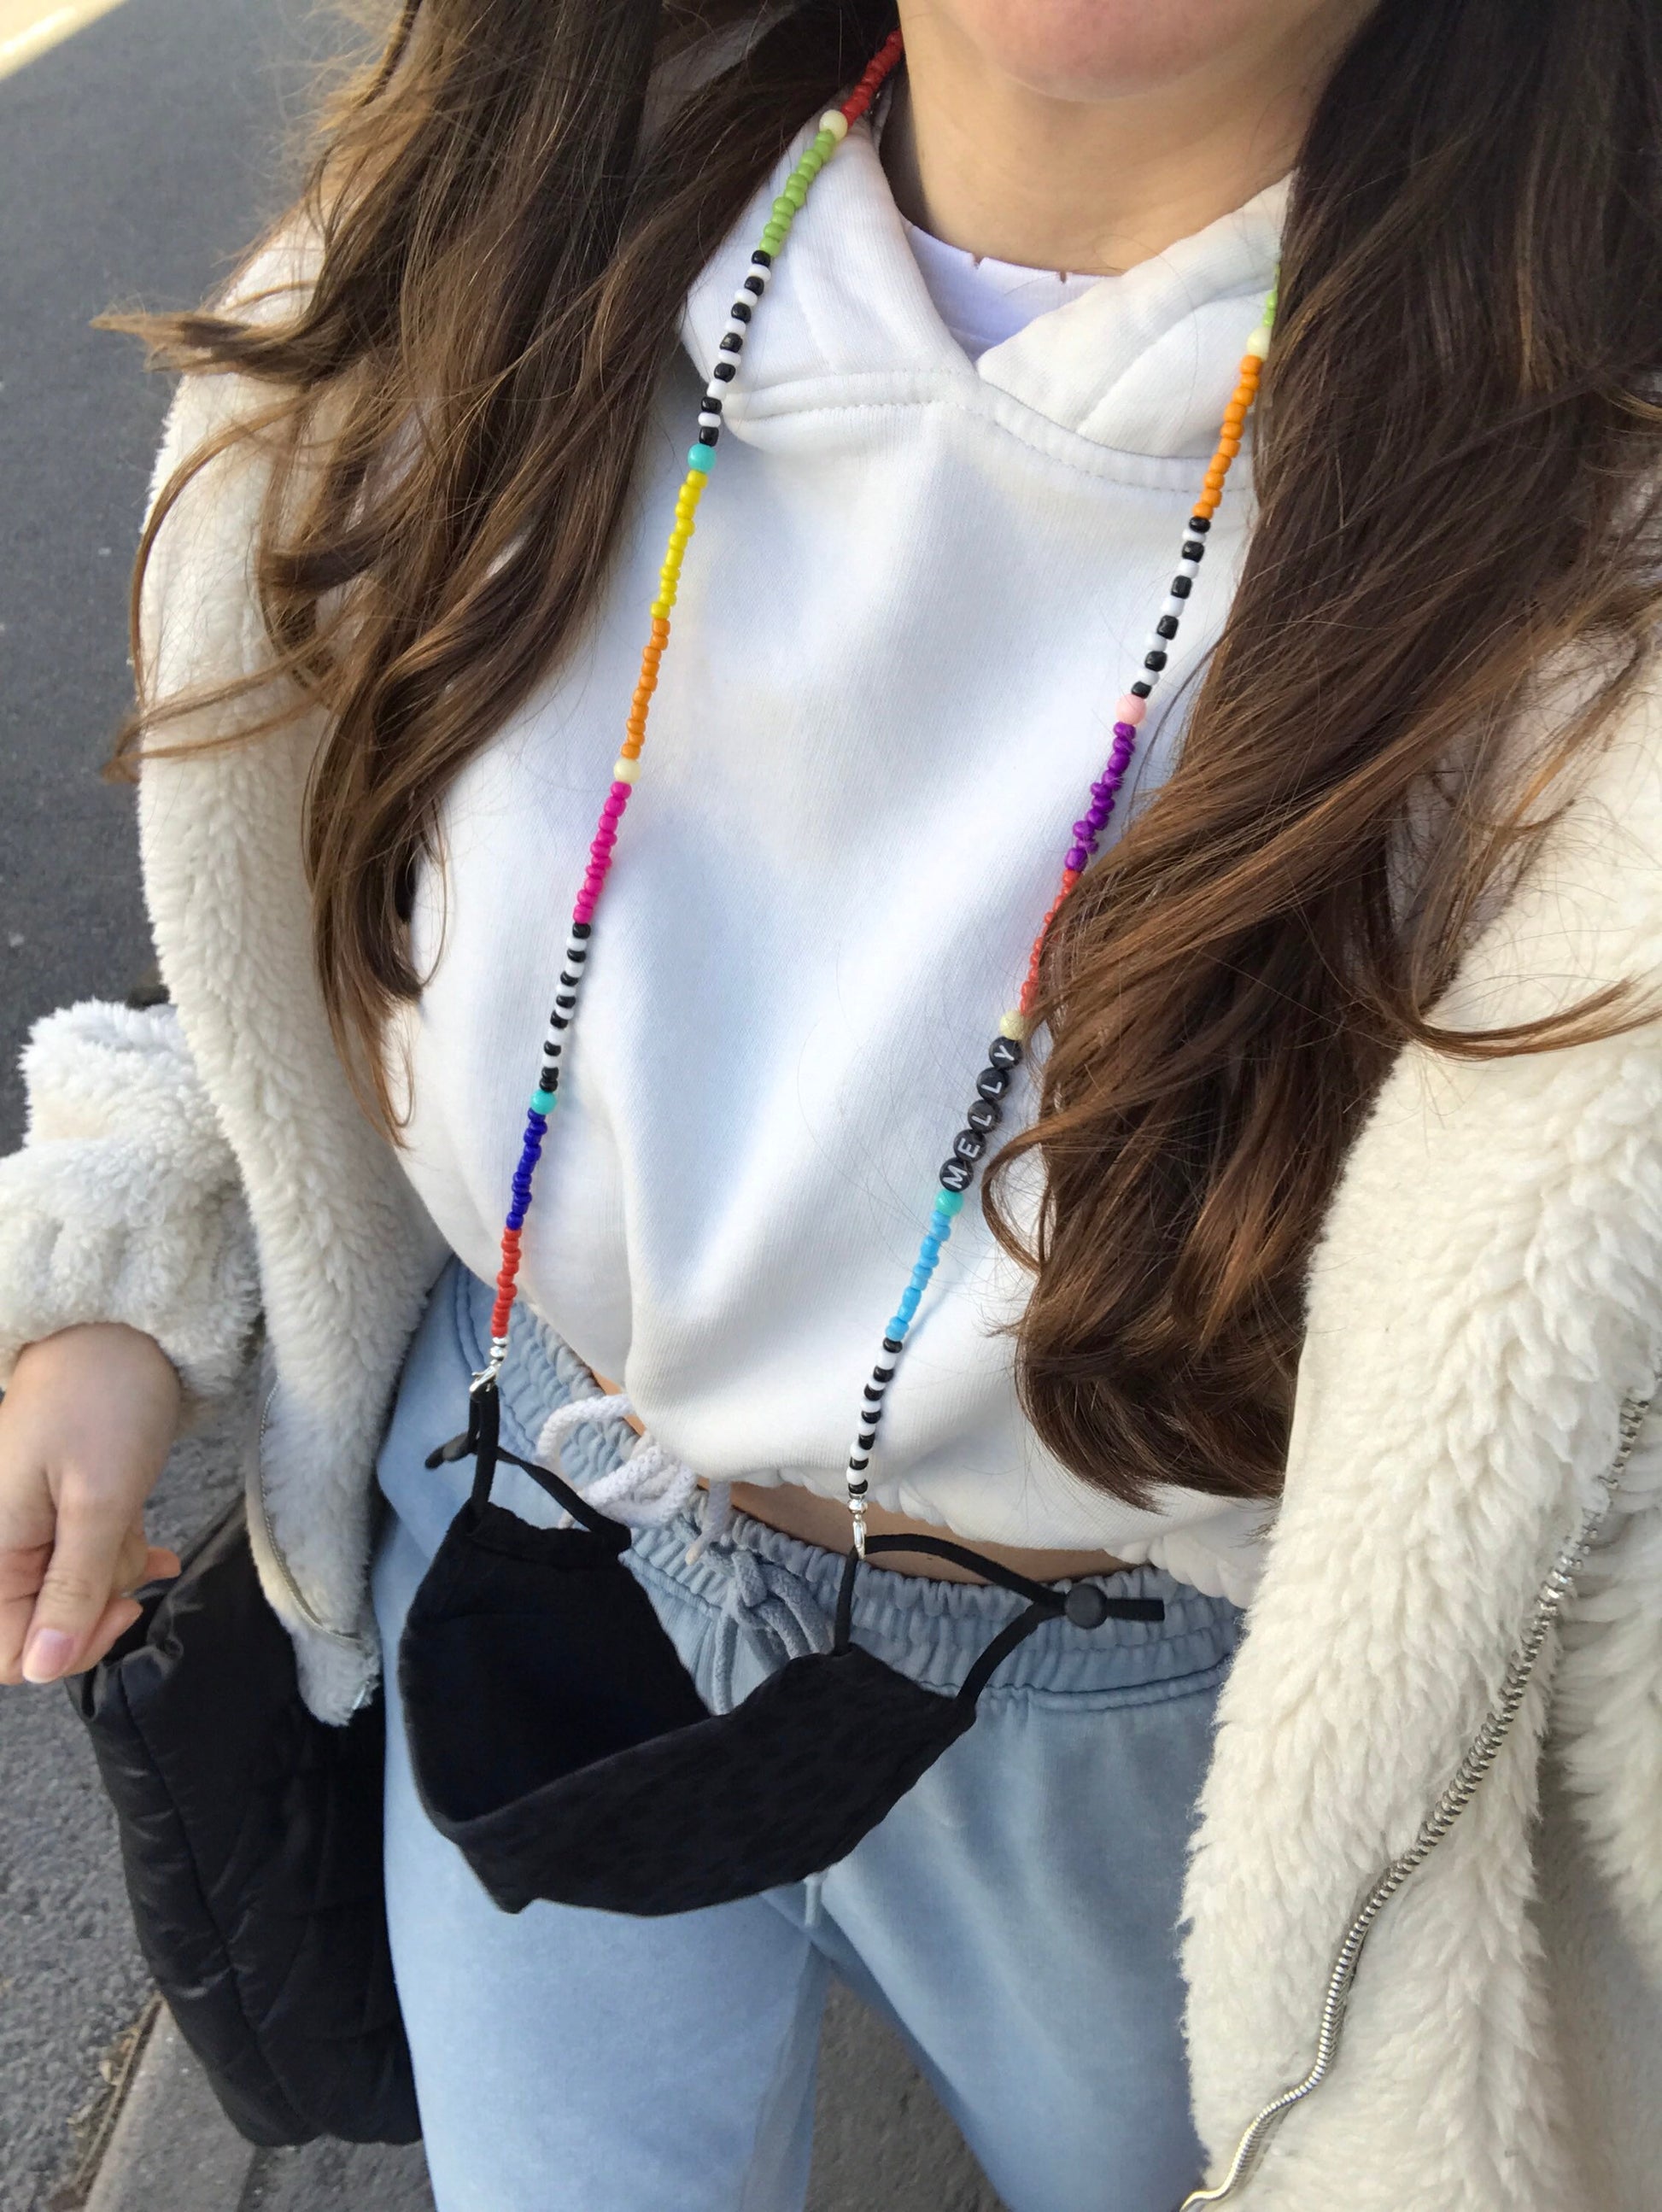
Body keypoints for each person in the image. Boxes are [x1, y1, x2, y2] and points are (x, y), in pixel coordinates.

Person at [3, 0, 1661, 2203]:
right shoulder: (485, 280)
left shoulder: (1582, 555)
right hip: (533, 1515)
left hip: (1154, 1716)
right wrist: (132, 1260)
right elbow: (333, 885)